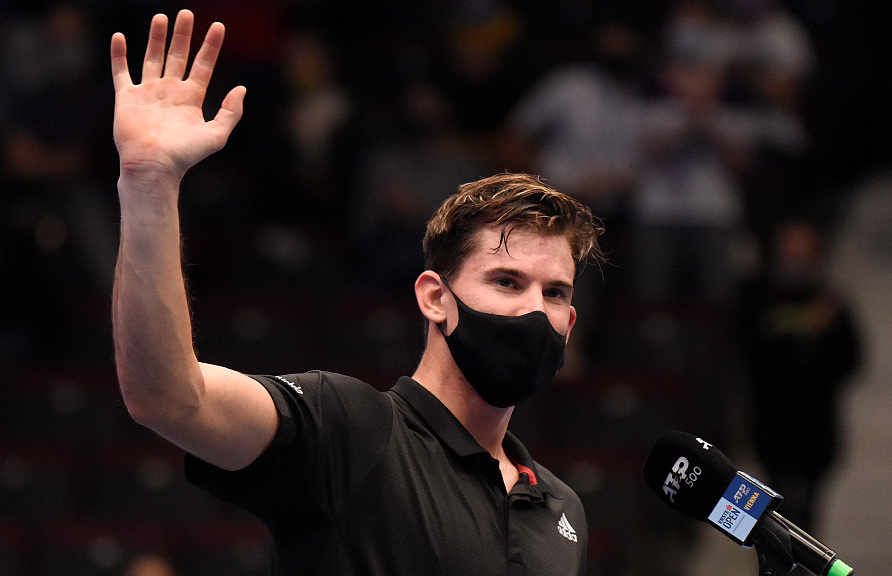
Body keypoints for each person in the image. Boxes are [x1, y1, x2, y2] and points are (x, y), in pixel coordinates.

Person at [110, 10, 603, 575]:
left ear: (570, 323)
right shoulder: (352, 430)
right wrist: (149, 181)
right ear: (434, 298)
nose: (534, 308)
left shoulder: (562, 511)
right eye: (506, 281)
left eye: (555, 293)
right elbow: (168, 396)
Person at [738, 219, 861, 532]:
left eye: (803, 254)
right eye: (789, 253)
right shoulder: (755, 296)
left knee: (807, 515)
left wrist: (825, 335)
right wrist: (804, 328)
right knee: (769, 513)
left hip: (815, 425)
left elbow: (851, 360)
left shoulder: (831, 300)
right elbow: (744, 349)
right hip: (770, 421)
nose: (795, 261)